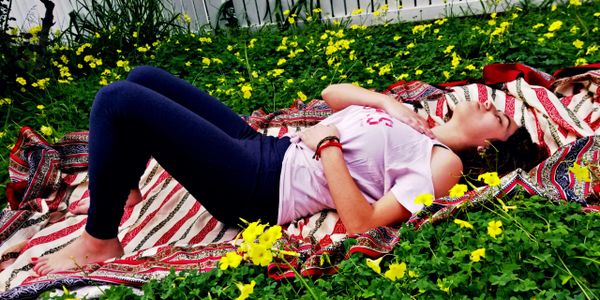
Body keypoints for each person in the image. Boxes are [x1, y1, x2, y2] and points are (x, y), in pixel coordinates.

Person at [32, 65, 525, 275]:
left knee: (118, 100)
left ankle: (101, 236)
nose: (489, 104)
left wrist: (329, 144)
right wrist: (386, 103)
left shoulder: (446, 164)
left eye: (499, 118)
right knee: (142, 79)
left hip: (261, 186)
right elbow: (331, 94)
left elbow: (364, 224)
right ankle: (123, 183)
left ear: (487, 148)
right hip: (268, 147)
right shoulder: (419, 122)